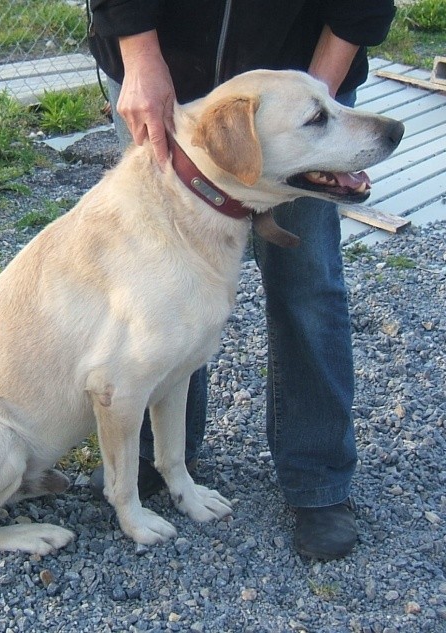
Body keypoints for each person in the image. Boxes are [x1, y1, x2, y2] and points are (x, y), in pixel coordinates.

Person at [86, 0, 397, 560]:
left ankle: (317, 479)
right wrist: (138, 54)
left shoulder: (299, 105)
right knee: (155, 290)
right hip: (158, 69)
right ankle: (155, 459)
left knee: (307, 283)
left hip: (290, 76)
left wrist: (310, 107)